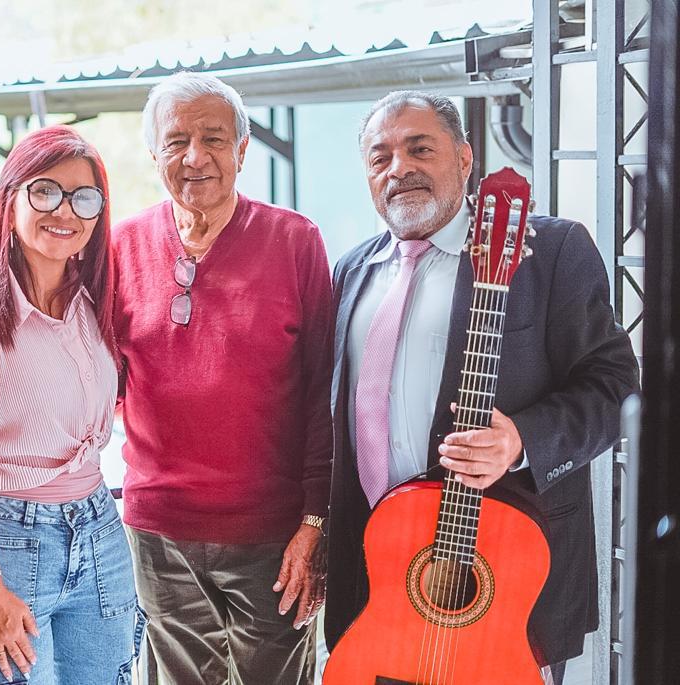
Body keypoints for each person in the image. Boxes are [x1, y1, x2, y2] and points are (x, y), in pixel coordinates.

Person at [324, 90, 640, 684]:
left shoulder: (551, 252)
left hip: (503, 578)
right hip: (381, 574)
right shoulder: (351, 270)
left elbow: (616, 384)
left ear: (465, 160)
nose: (400, 168)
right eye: (380, 156)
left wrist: (522, 439)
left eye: (421, 148)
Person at [112, 71, 333, 684]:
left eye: (213, 139)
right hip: (159, 530)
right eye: (176, 140)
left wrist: (317, 519)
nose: (195, 157)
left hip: (274, 530)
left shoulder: (295, 240)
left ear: (242, 149)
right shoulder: (119, 245)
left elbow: (325, 392)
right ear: (153, 152)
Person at [0, 125, 143, 685]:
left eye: (84, 198)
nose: (65, 211)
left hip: (100, 527)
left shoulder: (94, 300)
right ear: (10, 201)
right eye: (45, 191)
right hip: (9, 540)